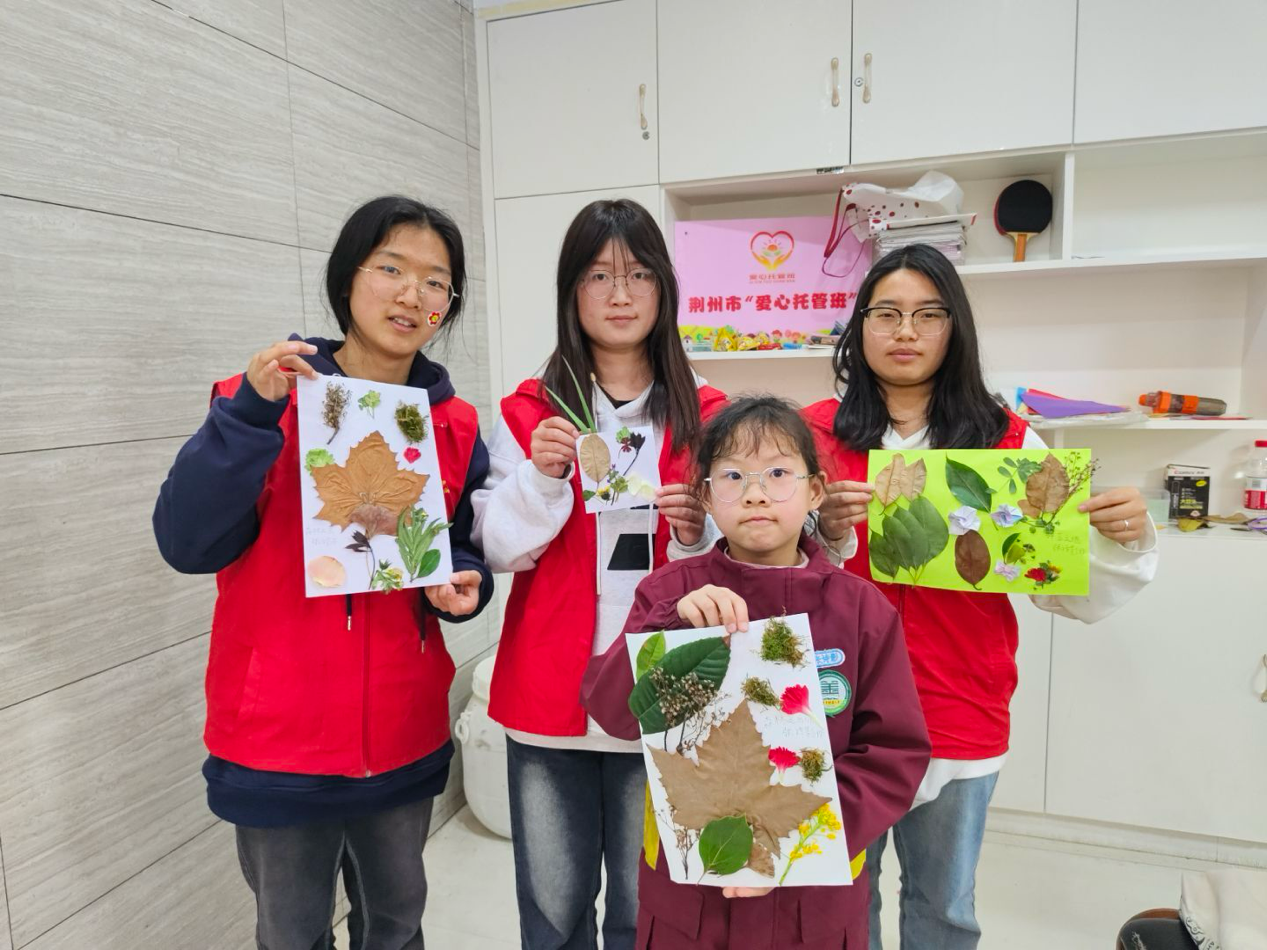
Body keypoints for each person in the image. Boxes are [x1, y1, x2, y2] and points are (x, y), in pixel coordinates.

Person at [154, 195, 494, 950]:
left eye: (436, 281)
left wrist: (463, 584)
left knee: (396, 926)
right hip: (279, 734)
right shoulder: (265, 400)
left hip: (402, 728)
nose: (412, 293)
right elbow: (188, 543)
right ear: (348, 279)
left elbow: (460, 545)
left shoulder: (454, 424)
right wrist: (247, 417)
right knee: (292, 934)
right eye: (391, 268)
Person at [801, 243, 1159, 950]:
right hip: (834, 705)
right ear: (859, 327)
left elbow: (1065, 584)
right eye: (887, 314)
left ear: (954, 327)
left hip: (958, 704)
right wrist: (825, 531)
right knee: (836, 903)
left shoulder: (1006, 440)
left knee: (944, 908)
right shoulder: (811, 435)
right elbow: (763, 567)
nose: (906, 331)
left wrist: (1124, 535)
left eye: (928, 314)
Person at [581, 395, 931, 948]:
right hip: (691, 901)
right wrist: (669, 631)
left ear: (816, 490)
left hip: (811, 900)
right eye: (732, 476)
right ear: (705, 496)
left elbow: (893, 754)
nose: (756, 493)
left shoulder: (860, 608)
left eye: (778, 473)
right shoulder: (669, 593)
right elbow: (614, 713)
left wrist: (790, 843)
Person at [471, 198, 727, 950]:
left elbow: (744, 557)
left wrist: (694, 534)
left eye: (639, 274)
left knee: (645, 918)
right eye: (598, 275)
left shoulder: (709, 414)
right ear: (571, 291)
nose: (620, 294)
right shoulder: (527, 412)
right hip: (548, 693)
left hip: (667, 689)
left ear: (663, 289)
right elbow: (494, 546)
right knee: (553, 915)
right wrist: (542, 480)